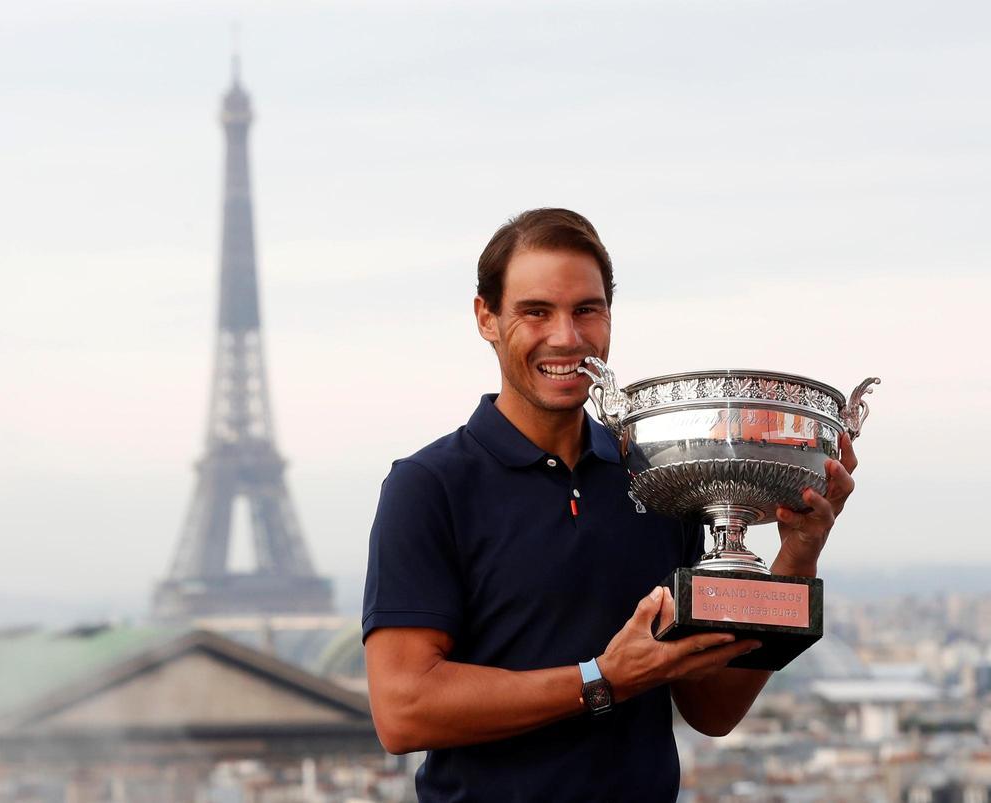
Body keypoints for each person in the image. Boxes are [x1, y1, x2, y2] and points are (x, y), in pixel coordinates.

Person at [361, 208, 859, 801]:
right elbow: (403, 711)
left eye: (586, 310)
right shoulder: (429, 487)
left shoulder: (661, 478)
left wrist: (796, 558)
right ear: (486, 318)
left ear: (609, 318)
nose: (566, 337)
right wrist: (604, 680)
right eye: (536, 311)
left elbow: (711, 708)